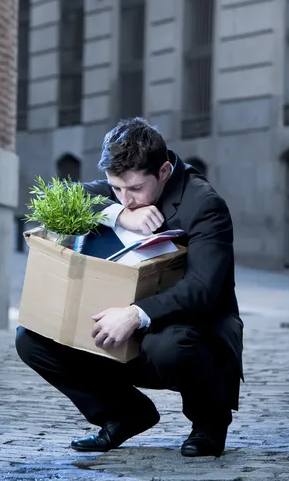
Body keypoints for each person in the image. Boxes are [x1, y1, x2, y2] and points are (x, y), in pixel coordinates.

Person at [16, 117, 244, 458]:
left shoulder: (204, 205)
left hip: (188, 327)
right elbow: (59, 198)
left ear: (164, 171)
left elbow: (203, 290)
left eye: (135, 189)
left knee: (171, 348)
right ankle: (124, 414)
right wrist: (120, 215)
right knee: (31, 339)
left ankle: (209, 423)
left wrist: (136, 315)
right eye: (116, 188)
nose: (126, 197)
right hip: (118, 314)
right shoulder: (122, 191)